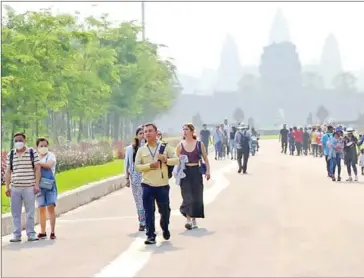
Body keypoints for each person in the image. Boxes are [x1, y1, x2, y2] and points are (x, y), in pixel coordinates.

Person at [135, 123, 179, 245]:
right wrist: (149, 166)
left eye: (150, 131)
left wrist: (166, 160)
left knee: (165, 211)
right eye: (145, 132)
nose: (147, 133)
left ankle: (164, 227)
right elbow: (137, 167)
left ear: (156, 132)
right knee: (149, 212)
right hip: (147, 185)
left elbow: (176, 159)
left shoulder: (165, 147)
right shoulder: (141, 150)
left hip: (162, 185)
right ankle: (150, 235)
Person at [5, 132, 41, 242]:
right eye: (16, 141)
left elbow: (37, 169)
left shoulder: (31, 152)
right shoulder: (11, 154)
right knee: (15, 212)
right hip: (15, 188)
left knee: (30, 211)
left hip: (29, 187)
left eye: (20, 140)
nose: (18, 142)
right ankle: (16, 234)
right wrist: (7, 187)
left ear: (24, 140)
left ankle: (31, 233)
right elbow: (8, 172)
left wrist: (36, 185)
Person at [176, 124, 211, 230]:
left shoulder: (199, 144)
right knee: (186, 196)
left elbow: (206, 159)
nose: (185, 131)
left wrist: (208, 171)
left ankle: (194, 219)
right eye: (183, 130)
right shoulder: (180, 145)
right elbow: (176, 160)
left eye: (187, 129)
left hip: (196, 171)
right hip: (185, 172)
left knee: (197, 196)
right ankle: (188, 220)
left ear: (192, 131)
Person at [36, 137, 58, 240]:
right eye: (41, 146)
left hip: (49, 185)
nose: (43, 147)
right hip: (39, 186)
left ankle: (52, 231)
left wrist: (38, 163)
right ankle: (43, 231)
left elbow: (49, 165)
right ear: (37, 147)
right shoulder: (36, 156)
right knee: (41, 208)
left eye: (45, 145)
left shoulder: (51, 156)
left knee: (50, 207)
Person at [125, 127, 146, 231]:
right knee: (139, 201)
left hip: (147, 176)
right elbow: (127, 164)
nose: (142, 135)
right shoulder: (130, 149)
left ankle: (147, 219)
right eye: (140, 133)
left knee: (147, 199)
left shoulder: (148, 147)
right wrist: (127, 178)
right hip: (135, 177)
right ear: (137, 135)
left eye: (144, 133)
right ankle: (142, 221)